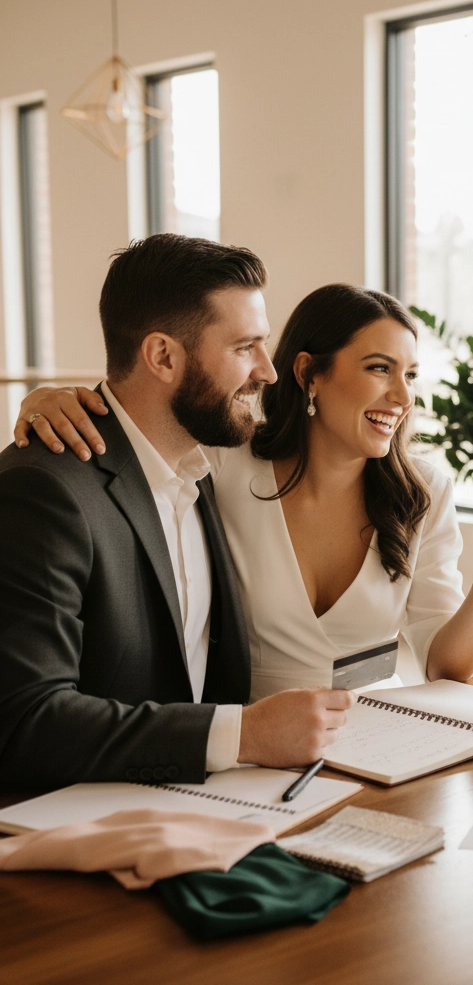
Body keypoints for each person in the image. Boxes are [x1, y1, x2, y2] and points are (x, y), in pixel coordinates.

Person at [14, 282, 473, 703]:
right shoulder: (218, 464)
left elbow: (446, 668)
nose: (401, 396)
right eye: (380, 369)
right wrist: (43, 399)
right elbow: (141, 429)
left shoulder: (423, 491)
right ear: (309, 373)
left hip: (385, 738)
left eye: (410, 374)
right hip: (252, 742)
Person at [0, 235, 358, 790]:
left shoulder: (207, 464)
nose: (268, 371)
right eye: (245, 347)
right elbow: (26, 722)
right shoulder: (42, 491)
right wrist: (242, 734)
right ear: (163, 356)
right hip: (72, 838)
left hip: (215, 804)